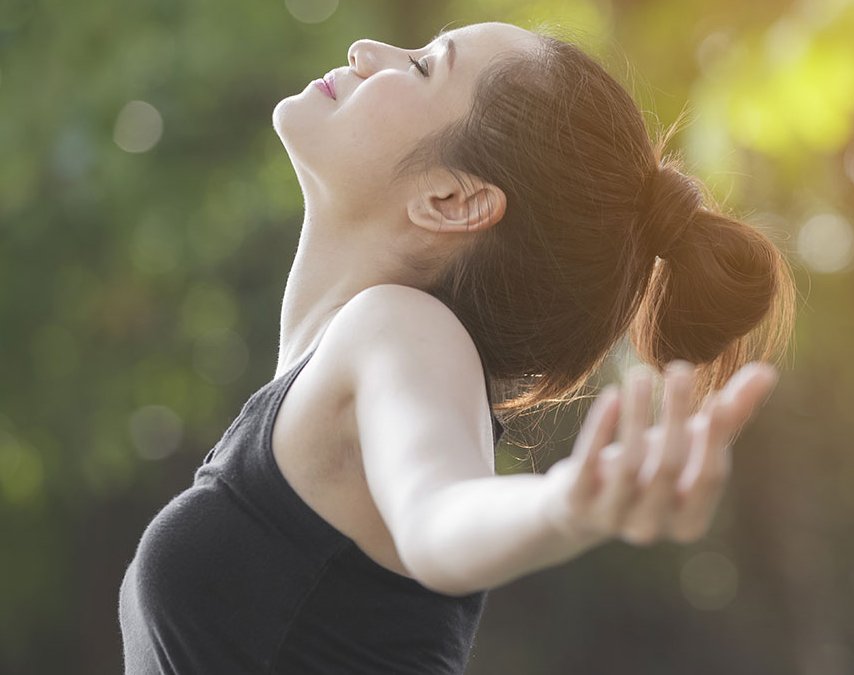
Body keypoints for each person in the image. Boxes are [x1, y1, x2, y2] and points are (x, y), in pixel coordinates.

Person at [118, 20, 795, 674]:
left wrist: (561, 506)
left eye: (421, 66)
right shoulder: (347, 363)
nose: (364, 50)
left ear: (450, 199)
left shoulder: (401, 330)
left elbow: (439, 514)